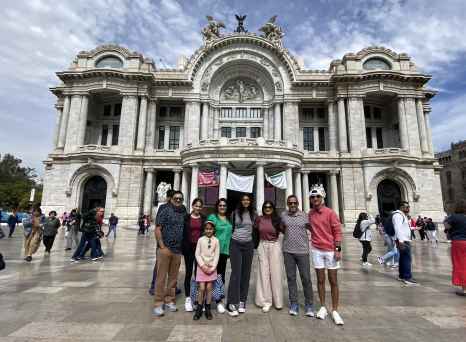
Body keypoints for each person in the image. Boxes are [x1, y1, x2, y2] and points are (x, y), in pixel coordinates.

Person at [308, 186, 344, 325]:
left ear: (322, 198)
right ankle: (323, 306)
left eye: (317, 197)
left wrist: (337, 249)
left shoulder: (330, 213)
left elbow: (338, 232)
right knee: (320, 279)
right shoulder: (310, 214)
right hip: (317, 250)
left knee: (333, 280)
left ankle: (335, 310)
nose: (315, 199)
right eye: (312, 197)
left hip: (330, 250)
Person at [153, 190, 187, 317]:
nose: (178, 200)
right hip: (165, 249)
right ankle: (158, 303)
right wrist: (162, 246)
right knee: (161, 277)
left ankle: (169, 300)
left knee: (173, 279)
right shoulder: (165, 209)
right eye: (176, 198)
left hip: (177, 250)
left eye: (180, 198)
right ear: (171, 199)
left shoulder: (183, 210)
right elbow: (157, 228)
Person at [281, 195, 313, 317]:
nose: (292, 205)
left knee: (306, 278)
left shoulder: (305, 216)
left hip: (302, 251)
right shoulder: (283, 215)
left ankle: (309, 304)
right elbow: (282, 229)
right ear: (287, 204)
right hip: (288, 251)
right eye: (290, 203)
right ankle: (294, 303)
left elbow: (312, 229)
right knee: (291, 278)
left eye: (294, 203)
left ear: (298, 203)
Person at [226, 194, 257, 317]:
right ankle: (231, 302)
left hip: (248, 245)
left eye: (248, 200)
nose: (246, 201)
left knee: (246, 273)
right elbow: (231, 228)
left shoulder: (254, 214)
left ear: (250, 201)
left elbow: (256, 228)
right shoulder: (234, 213)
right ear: (241, 201)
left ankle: (242, 300)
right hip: (236, 244)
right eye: (244, 199)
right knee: (236, 273)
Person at [253, 201, 284, 313]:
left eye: (270, 207)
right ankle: (265, 301)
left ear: (273, 208)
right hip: (262, 244)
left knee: (275, 273)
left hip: (274, 245)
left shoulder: (277, 219)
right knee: (263, 273)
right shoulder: (259, 219)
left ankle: (278, 301)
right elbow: (254, 231)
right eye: (265, 207)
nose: (267, 208)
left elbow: (285, 231)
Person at [148, 189, 176, 295]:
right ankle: (154, 286)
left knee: (173, 266)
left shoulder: (179, 208)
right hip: (163, 242)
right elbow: (158, 226)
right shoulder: (163, 208)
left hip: (175, 243)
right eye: (174, 198)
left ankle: (172, 287)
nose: (176, 200)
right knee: (159, 265)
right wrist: (161, 244)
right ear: (169, 198)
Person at [207, 198, 232, 314]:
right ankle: (206, 299)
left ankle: (219, 299)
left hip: (224, 252)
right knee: (210, 274)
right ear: (217, 206)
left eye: (224, 205)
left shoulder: (229, 219)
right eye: (220, 205)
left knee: (220, 276)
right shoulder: (212, 217)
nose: (222, 207)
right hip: (213, 251)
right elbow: (207, 232)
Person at [182, 198, 206, 312]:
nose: (198, 208)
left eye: (200, 206)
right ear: (192, 206)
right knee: (188, 272)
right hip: (189, 248)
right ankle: (188, 298)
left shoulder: (204, 218)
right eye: (196, 206)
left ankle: (197, 297)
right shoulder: (186, 217)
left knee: (198, 274)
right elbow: (182, 233)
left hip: (199, 249)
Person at [193, 220, 220, 320]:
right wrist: (202, 265)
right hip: (202, 267)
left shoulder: (216, 240)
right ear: (204, 230)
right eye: (207, 229)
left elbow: (217, 255)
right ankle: (199, 308)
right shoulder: (200, 240)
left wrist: (213, 267)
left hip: (212, 268)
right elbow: (197, 254)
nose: (209, 231)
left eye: (211, 229)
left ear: (213, 230)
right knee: (202, 288)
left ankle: (208, 308)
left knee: (209, 288)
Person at [444, 200, 466, 296]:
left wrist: (450, 230)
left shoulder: (453, 217)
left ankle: (465, 289)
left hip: (458, 242)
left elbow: (446, 225)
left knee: (460, 264)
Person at [393, 201, 418, 286]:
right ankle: (407, 278)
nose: (408, 209)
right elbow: (398, 228)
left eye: (409, 207)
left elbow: (404, 227)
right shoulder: (398, 215)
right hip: (403, 240)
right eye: (406, 207)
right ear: (401, 207)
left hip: (404, 240)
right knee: (407, 259)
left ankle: (402, 276)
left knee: (403, 258)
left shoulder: (402, 215)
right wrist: (400, 241)